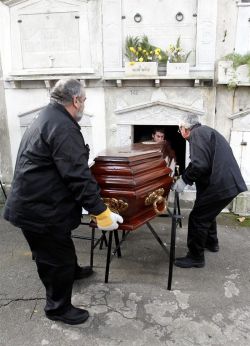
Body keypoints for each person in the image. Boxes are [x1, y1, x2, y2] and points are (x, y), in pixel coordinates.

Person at [3, 79, 123, 325]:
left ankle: (72, 272)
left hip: (37, 203)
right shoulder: (63, 126)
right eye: (84, 99)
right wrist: (101, 212)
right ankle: (57, 308)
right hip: (40, 210)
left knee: (60, 250)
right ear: (76, 100)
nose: (84, 103)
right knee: (55, 260)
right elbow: (77, 176)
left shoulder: (49, 116)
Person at [172, 114, 247, 268]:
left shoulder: (197, 134)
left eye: (180, 131)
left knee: (197, 218)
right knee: (207, 213)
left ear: (185, 129)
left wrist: (184, 180)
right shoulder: (205, 131)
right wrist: (185, 177)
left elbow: (200, 165)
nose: (182, 135)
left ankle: (195, 257)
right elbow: (200, 163)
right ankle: (212, 243)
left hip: (219, 184)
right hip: (225, 183)